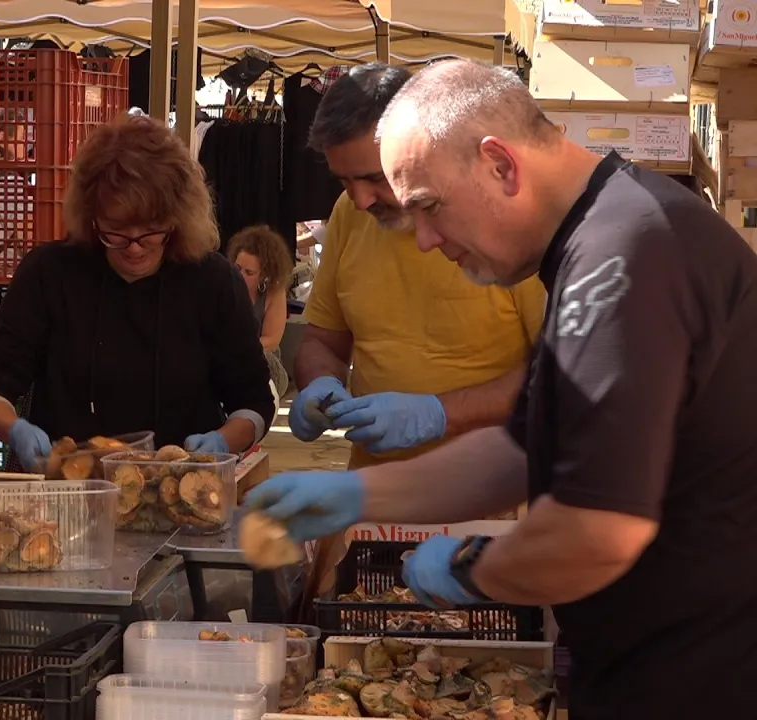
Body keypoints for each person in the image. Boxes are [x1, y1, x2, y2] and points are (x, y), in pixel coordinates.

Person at [248, 58, 757, 718]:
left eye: (429, 207)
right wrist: (358, 494)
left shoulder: (623, 261)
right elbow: (524, 443)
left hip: (700, 678)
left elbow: (598, 533)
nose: (426, 240)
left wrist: (473, 569)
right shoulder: (601, 239)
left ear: (500, 164)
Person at [286, 64, 546, 599]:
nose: (360, 200)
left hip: (491, 512)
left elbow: (558, 381)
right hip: (377, 510)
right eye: (344, 181)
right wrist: (318, 385)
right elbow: (324, 340)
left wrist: (439, 412)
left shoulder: (501, 226)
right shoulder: (350, 216)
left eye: (375, 178)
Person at [0, 115, 275, 468]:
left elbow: (254, 402)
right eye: (115, 232)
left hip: (179, 491)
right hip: (62, 494)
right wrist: (14, 430)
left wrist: (223, 441)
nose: (133, 248)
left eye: (150, 231)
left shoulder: (213, 282)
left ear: (177, 218)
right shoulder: (48, 273)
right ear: (91, 216)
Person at [225, 224, 294, 398]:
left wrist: (238, 349)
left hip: (261, 358)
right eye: (237, 268)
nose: (240, 275)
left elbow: (272, 339)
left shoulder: (274, 293)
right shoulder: (224, 286)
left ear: (264, 275)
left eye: (249, 272)